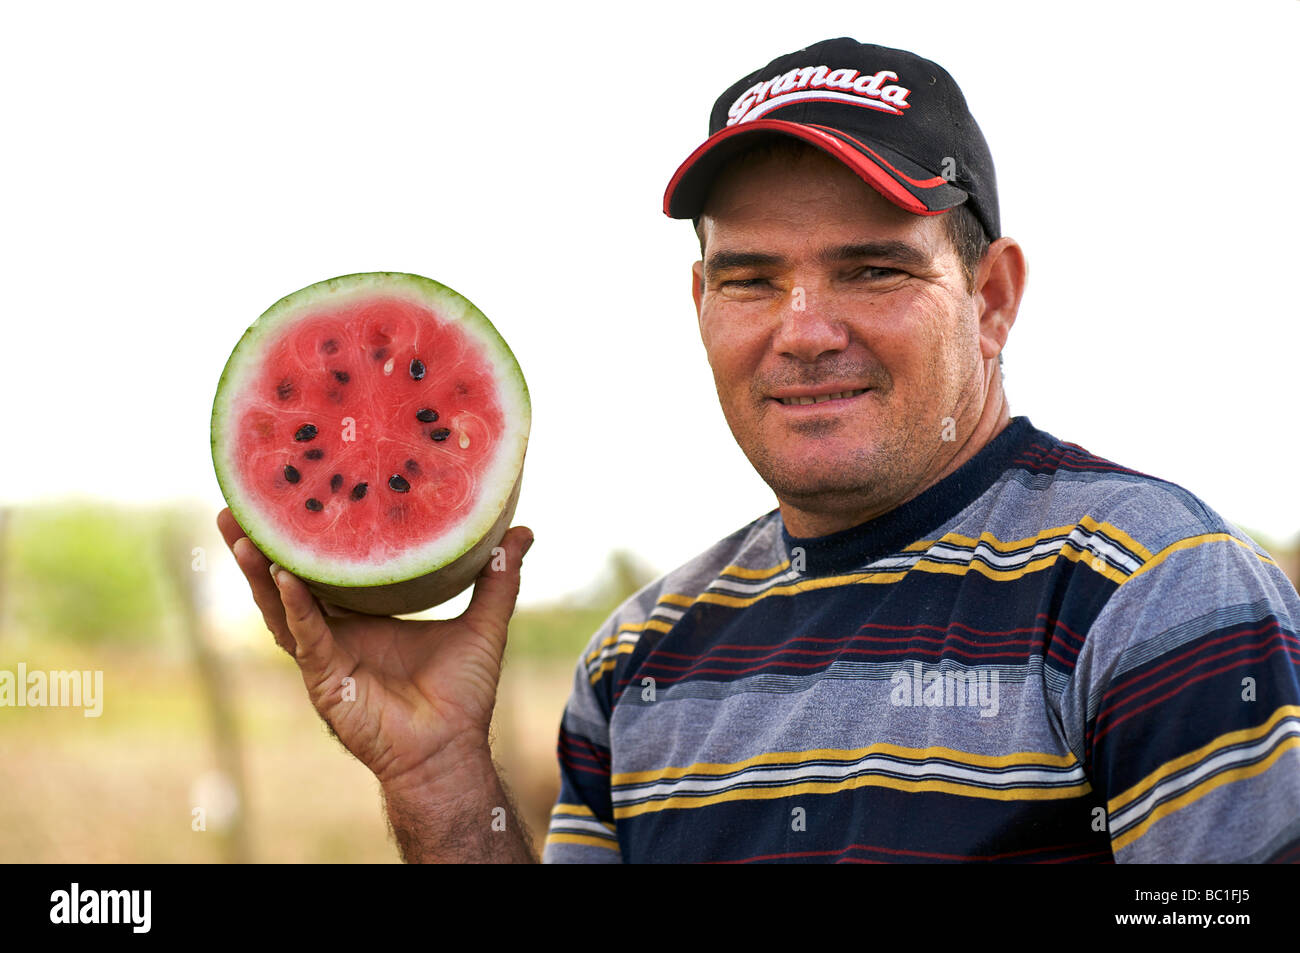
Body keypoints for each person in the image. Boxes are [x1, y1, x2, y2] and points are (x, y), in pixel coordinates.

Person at [220, 37, 1300, 863]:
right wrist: (445, 776)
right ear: (700, 302)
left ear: (990, 296)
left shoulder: (1152, 596)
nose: (803, 328)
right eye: (749, 278)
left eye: (872, 269)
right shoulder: (636, 662)